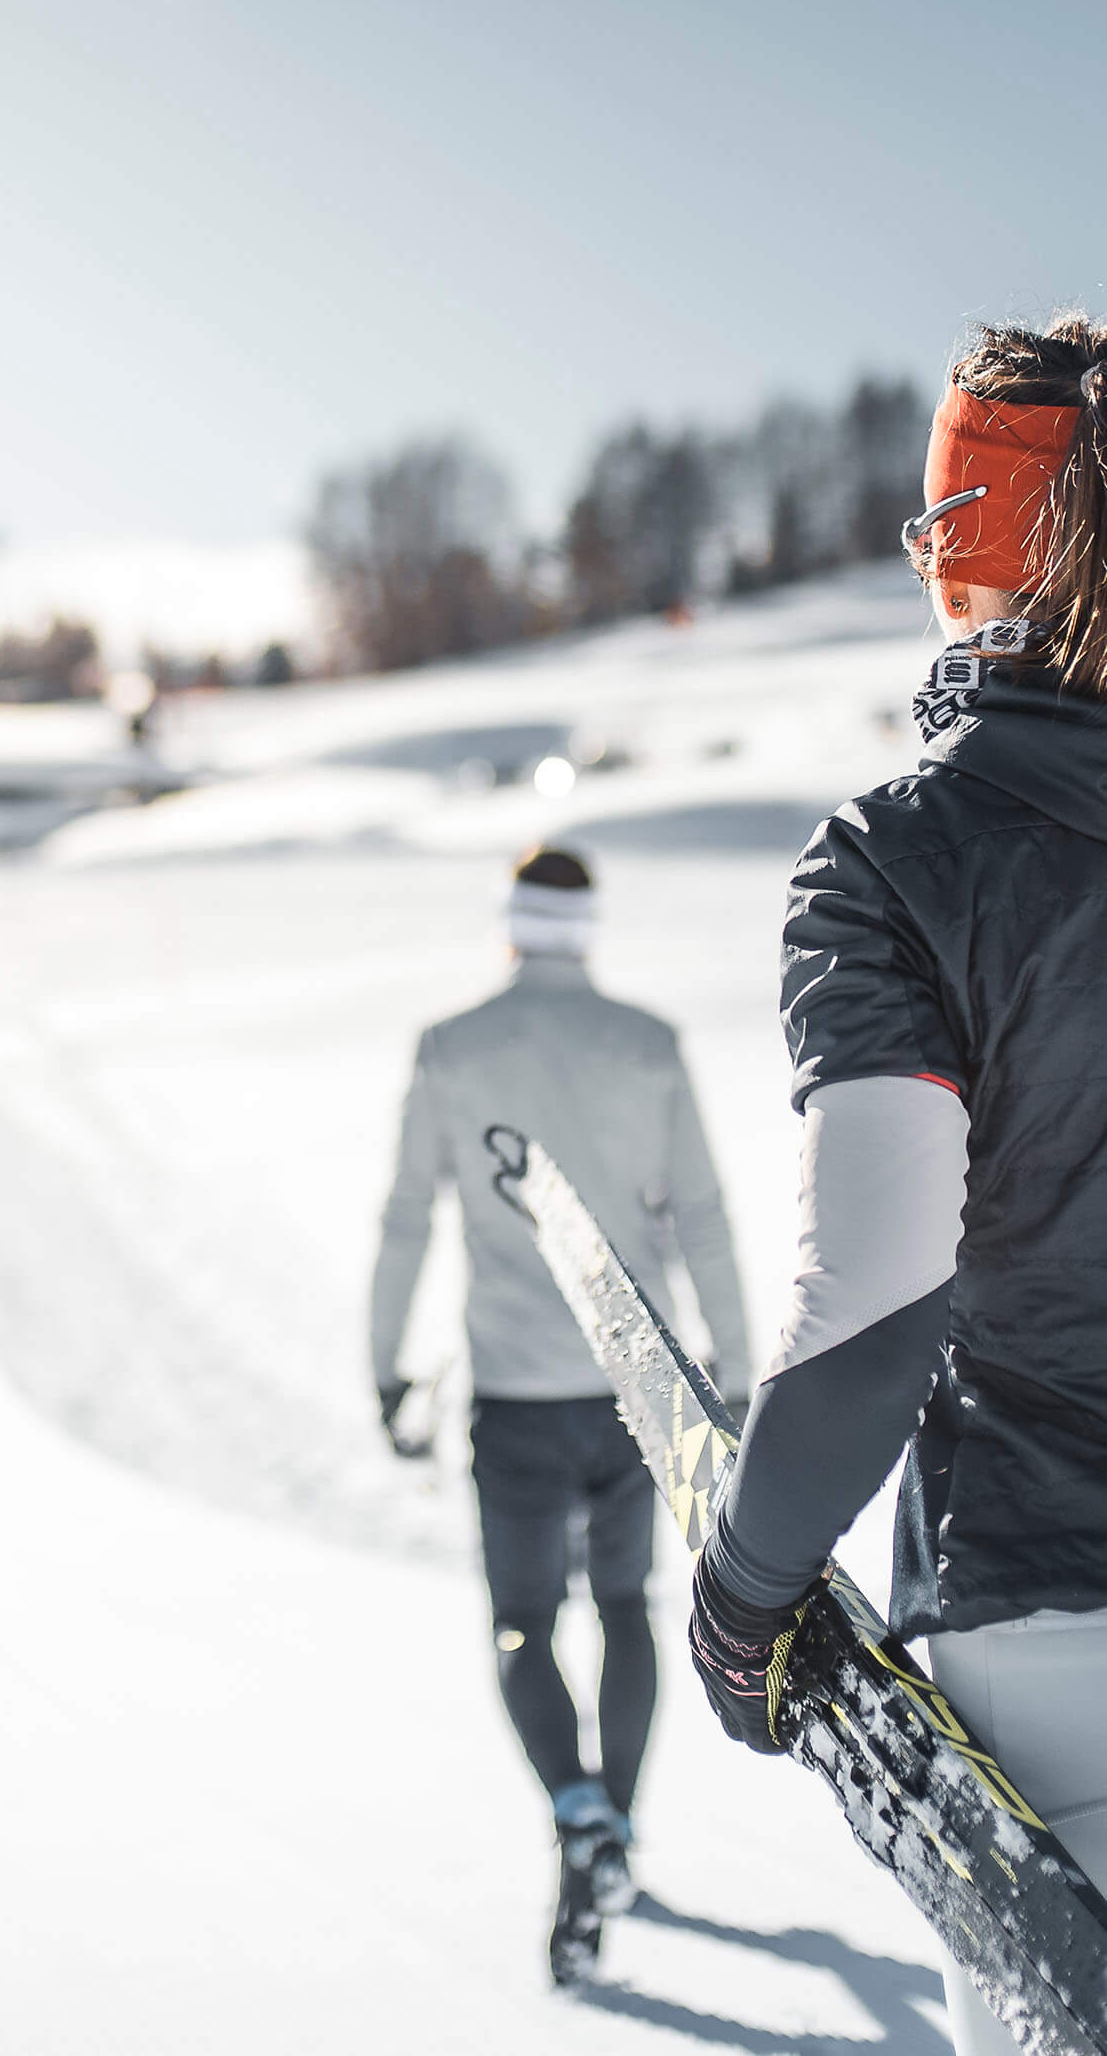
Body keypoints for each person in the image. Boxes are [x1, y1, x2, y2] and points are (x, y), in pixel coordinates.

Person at [687, 314, 1107, 2056]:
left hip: (1053, 1619)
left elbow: (877, 1299)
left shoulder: (900, 861)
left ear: (974, 548)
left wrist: (747, 1591)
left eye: (938, 521)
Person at [372, 845, 750, 1983]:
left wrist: (385, 1367)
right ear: (587, 927)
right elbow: (703, 1215)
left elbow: (407, 1218)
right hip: (641, 1389)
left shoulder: (452, 1047)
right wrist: (734, 1370)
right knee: (626, 1605)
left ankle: (576, 1812)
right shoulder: (648, 1043)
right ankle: (616, 1827)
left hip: (515, 1394)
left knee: (524, 1623)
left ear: (510, 922)